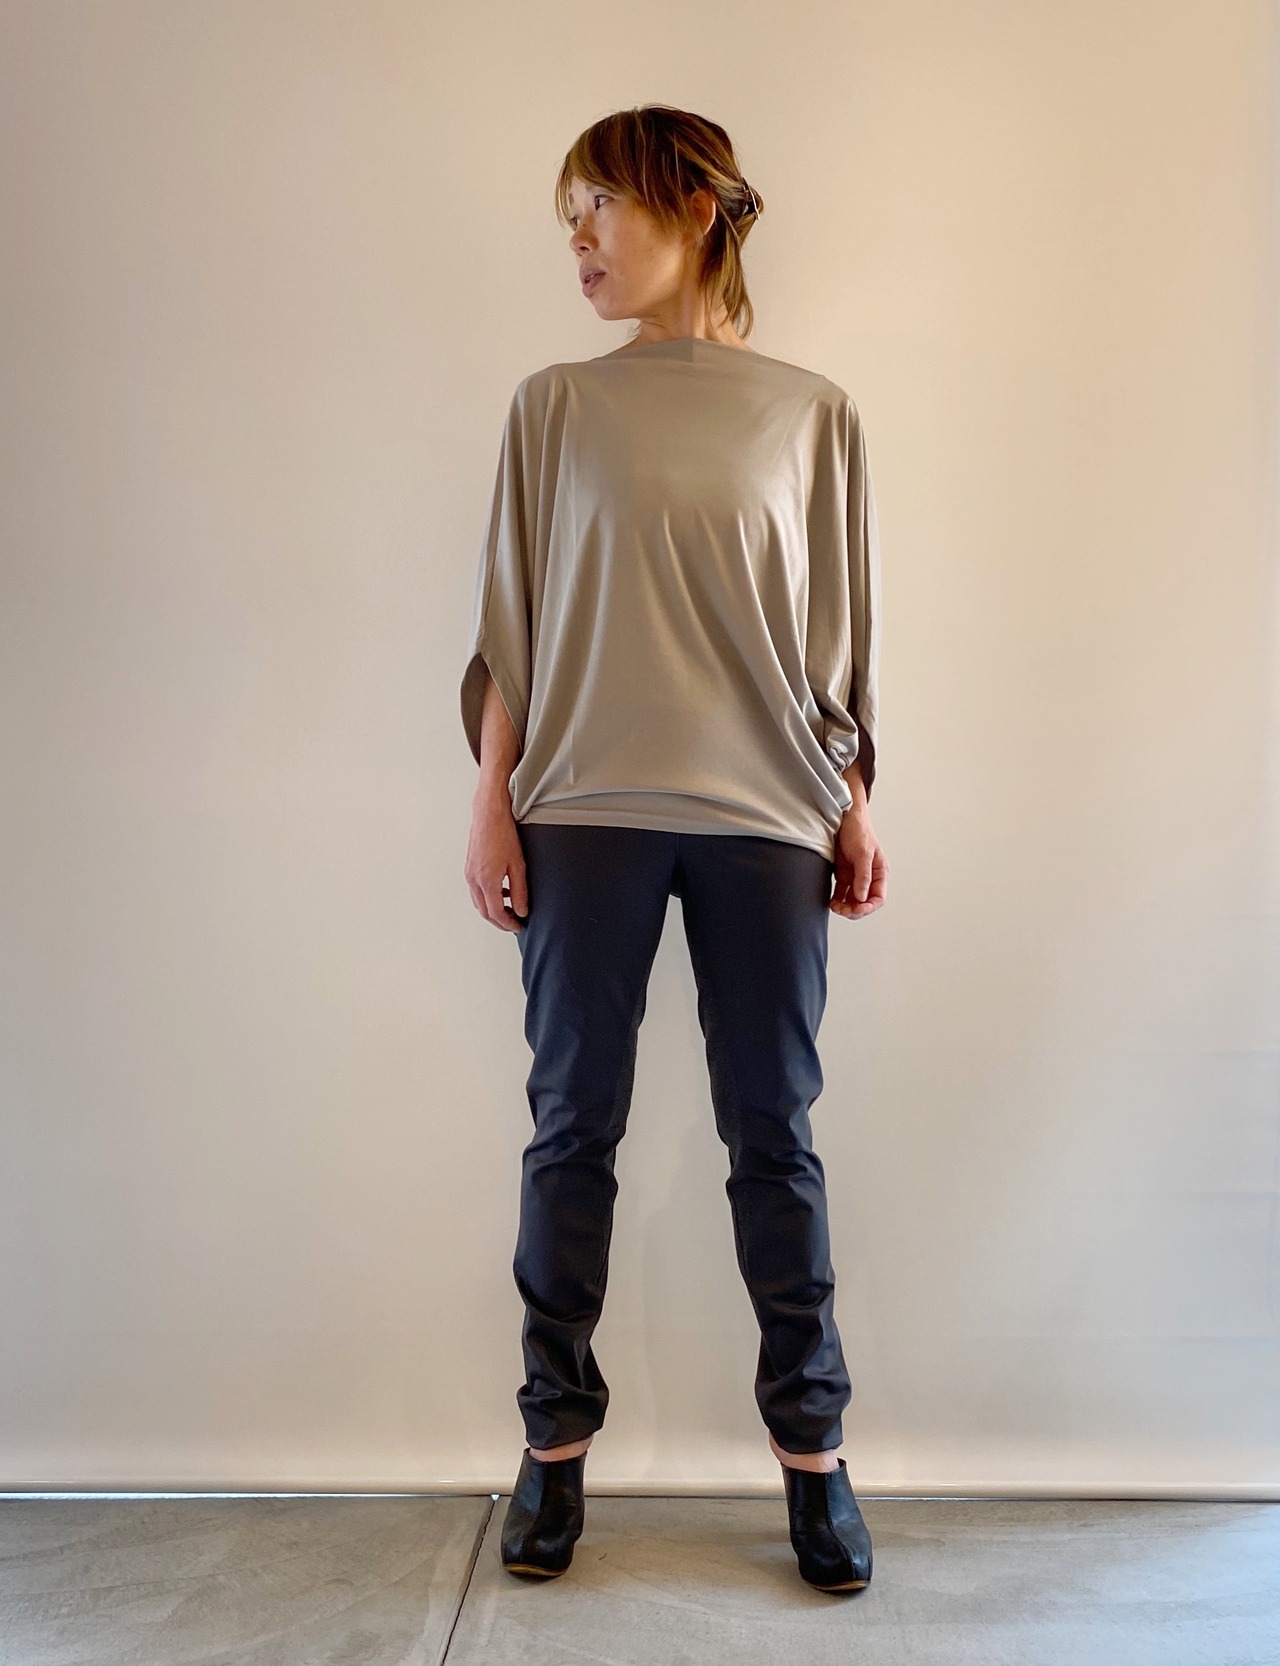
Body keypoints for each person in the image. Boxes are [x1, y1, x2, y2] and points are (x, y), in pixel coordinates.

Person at [460, 104, 887, 1593]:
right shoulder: (553, 408)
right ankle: (552, 1446)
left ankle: (816, 1458)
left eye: (603, 207)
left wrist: (852, 796)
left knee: (774, 1132)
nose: (579, 241)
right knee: (572, 1126)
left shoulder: (814, 415)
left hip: (767, 814)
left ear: (696, 208)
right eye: (568, 217)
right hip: (583, 811)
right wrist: (493, 795)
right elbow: (514, 619)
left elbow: (835, 641)